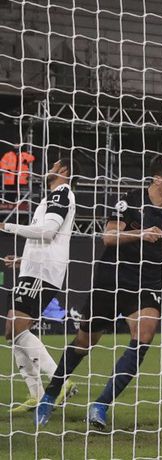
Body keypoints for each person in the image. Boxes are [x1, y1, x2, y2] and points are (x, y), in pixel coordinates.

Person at [36, 153, 162, 428]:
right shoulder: (131, 200)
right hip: (111, 278)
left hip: (147, 282)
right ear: (158, 178)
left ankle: (100, 406)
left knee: (145, 335)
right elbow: (108, 237)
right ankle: (50, 395)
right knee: (85, 342)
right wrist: (141, 233)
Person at [1, 158, 80, 413]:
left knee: (16, 328)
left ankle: (61, 382)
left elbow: (48, 232)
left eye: (54, 166)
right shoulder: (52, 198)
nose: (49, 169)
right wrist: (23, 259)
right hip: (34, 269)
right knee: (13, 331)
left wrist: (7, 225)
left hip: (43, 273)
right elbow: (45, 237)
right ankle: (37, 394)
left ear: (64, 172)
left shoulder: (61, 193)